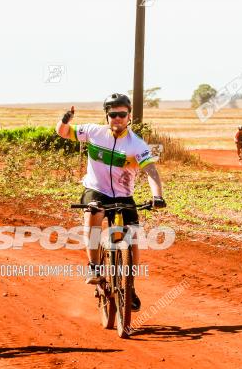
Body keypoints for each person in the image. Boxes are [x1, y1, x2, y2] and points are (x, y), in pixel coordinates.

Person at [55, 93, 166, 311]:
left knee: (132, 239)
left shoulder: (137, 144)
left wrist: (157, 196)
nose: (117, 118)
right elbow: (63, 132)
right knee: (93, 214)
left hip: (124, 195)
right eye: (113, 114)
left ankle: (129, 285)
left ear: (129, 116)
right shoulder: (93, 132)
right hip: (97, 190)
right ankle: (95, 267)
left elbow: (151, 171)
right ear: (106, 116)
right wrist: (66, 118)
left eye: (122, 114)